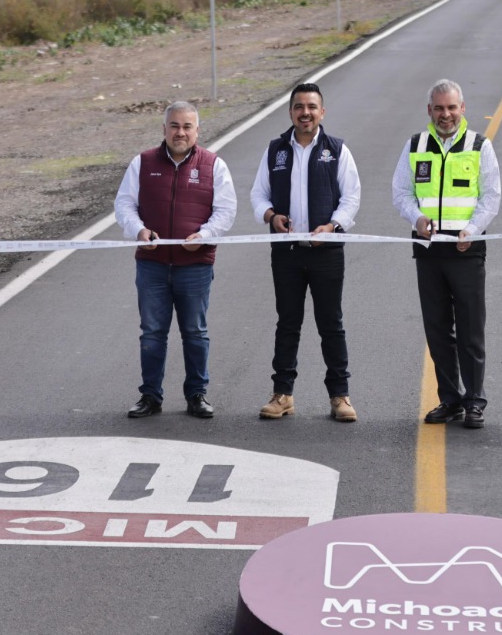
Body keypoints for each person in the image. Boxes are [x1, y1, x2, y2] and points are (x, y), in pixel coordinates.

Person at [114, 101, 236, 419]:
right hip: (152, 265)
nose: (180, 132)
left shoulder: (214, 165)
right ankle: (150, 396)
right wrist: (139, 231)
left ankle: (197, 395)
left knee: (195, 332)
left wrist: (205, 235)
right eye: (174, 126)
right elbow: (124, 204)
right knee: (152, 332)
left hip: (195, 267)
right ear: (164, 129)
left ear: (197, 130)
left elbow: (226, 211)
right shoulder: (142, 163)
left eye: (187, 127)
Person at [249, 82, 362, 423]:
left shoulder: (336, 150)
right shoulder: (276, 151)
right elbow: (259, 195)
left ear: (322, 112)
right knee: (288, 322)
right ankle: (282, 394)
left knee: (331, 324)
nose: (305, 112)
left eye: (312, 107)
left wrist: (333, 227)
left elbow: (351, 197)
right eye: (299, 107)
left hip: (326, 252)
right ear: (291, 112)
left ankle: (340, 396)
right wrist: (272, 216)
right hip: (286, 254)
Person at [392, 79, 501, 429]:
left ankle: (474, 401)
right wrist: (417, 217)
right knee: (438, 329)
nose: (446, 114)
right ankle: (450, 399)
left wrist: (473, 229)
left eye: (452, 107)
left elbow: (491, 197)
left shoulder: (479, 146)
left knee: (471, 331)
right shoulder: (415, 145)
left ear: (462, 108)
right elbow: (401, 193)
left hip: (467, 251)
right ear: (429, 111)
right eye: (439, 108)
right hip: (429, 252)